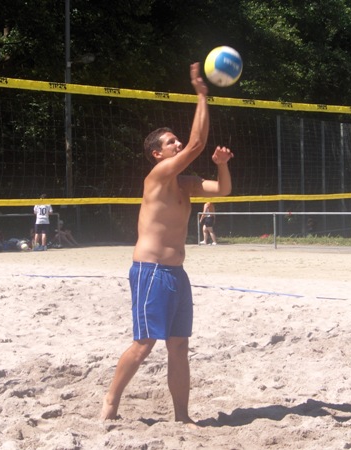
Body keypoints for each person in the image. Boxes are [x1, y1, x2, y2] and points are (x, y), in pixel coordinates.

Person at [100, 62, 233, 425]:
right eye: (170, 142)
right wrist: (202, 95)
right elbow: (197, 143)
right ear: (158, 154)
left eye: (176, 140)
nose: (177, 144)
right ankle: (111, 401)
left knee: (179, 345)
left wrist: (221, 164)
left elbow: (222, 190)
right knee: (144, 344)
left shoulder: (186, 184)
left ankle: (182, 416)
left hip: (176, 273)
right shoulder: (158, 175)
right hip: (151, 271)